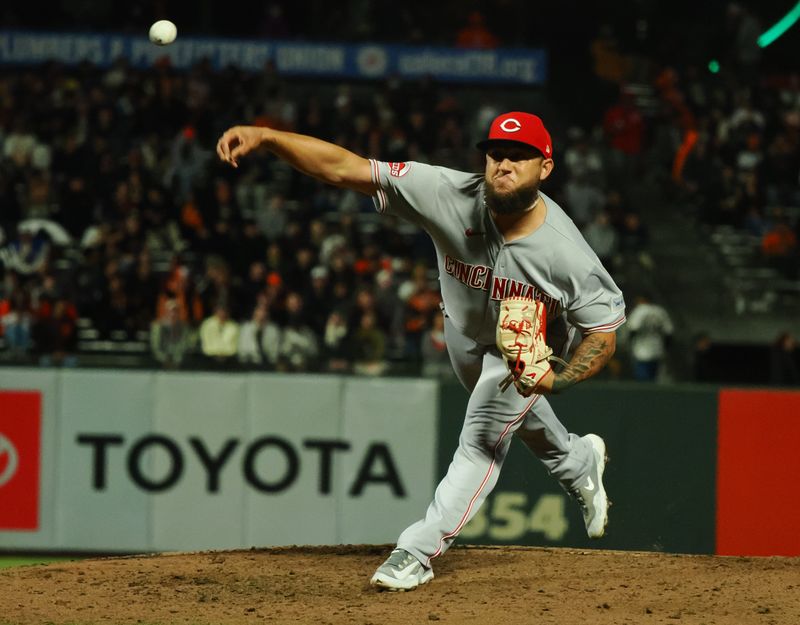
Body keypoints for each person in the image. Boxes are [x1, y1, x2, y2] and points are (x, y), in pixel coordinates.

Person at [216, 110, 625, 590]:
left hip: (525, 351)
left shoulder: (568, 253)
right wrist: (267, 137)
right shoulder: (445, 192)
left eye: (520, 156)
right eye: (496, 154)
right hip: (463, 332)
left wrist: (556, 379)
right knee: (511, 417)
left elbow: (603, 333)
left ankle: (417, 551)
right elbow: (346, 168)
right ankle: (579, 462)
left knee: (482, 438)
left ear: (546, 167)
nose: (504, 165)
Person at [626, 294, 674, 382]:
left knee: (643, 383)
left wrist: (629, 344)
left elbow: (633, 330)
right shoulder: (660, 311)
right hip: (657, 350)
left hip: (642, 351)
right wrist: (666, 348)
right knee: (654, 381)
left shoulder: (639, 311)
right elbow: (669, 332)